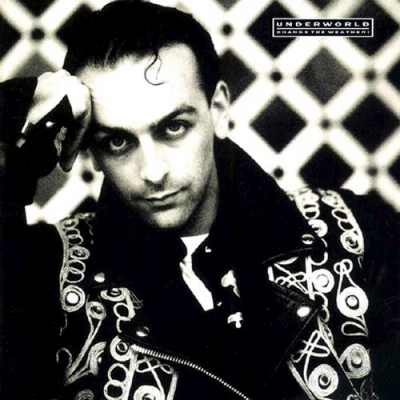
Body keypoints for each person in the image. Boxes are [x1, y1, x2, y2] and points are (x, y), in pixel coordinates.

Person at [0, 1, 399, 399]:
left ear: (218, 108)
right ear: (88, 147)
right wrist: (10, 122)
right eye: (118, 142)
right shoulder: (45, 272)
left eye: (174, 127)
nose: (152, 171)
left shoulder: (353, 232)